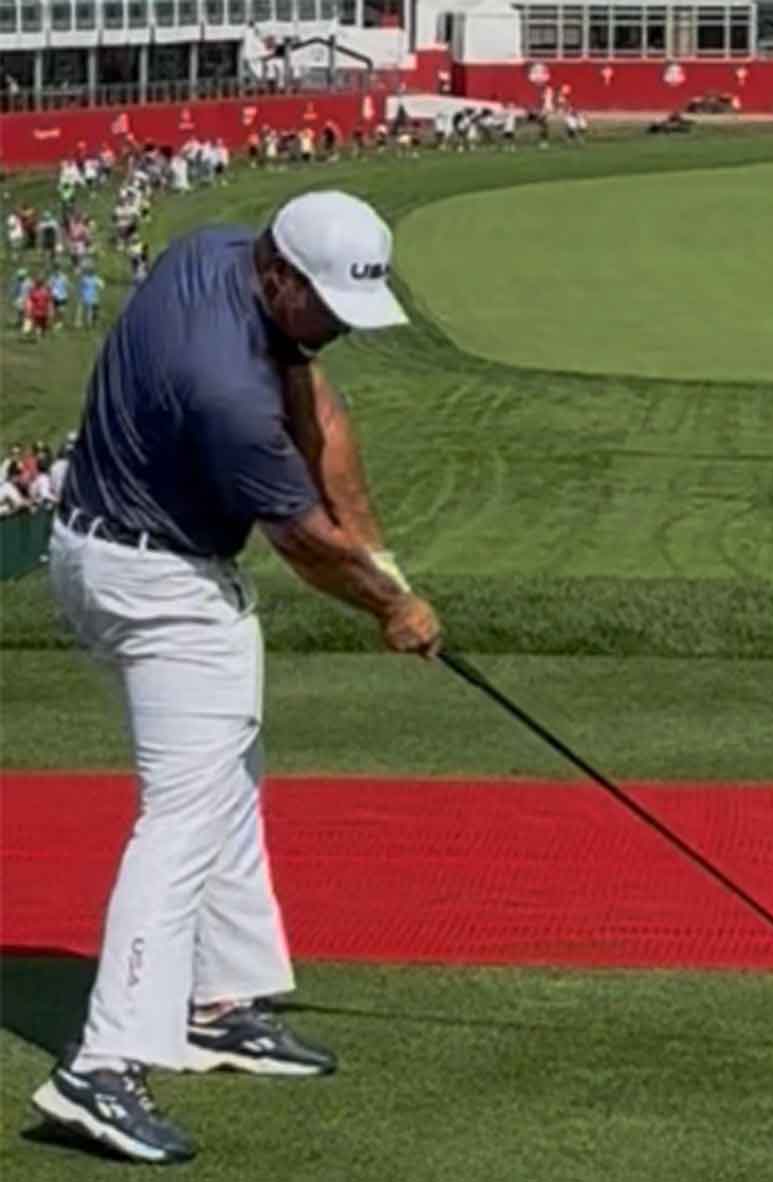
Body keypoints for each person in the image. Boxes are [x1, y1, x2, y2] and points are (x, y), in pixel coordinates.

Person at [30, 191, 442, 1166]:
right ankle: (103, 1064)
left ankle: (224, 1001)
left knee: (223, 775)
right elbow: (301, 541)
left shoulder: (220, 251)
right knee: (181, 814)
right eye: (329, 305)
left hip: (109, 551)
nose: (339, 325)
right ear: (280, 276)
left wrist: (388, 569)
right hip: (156, 581)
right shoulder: (222, 386)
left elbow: (319, 404)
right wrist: (391, 607)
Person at [78, 263, 103, 327]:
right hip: (88, 296)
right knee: (87, 310)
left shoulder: (91, 278)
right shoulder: (89, 278)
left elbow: (101, 285)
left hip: (89, 297)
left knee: (88, 310)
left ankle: (87, 323)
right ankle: (86, 323)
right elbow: (102, 286)